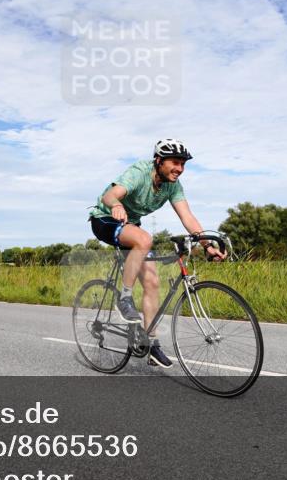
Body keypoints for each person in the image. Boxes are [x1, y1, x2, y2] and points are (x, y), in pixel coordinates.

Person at [88, 139, 225, 369]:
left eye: (183, 164)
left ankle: (151, 344)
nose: (179, 169)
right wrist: (116, 205)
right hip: (106, 219)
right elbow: (110, 196)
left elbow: (187, 218)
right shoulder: (139, 173)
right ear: (159, 161)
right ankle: (124, 299)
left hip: (130, 225)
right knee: (144, 238)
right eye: (175, 162)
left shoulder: (173, 186)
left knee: (152, 281)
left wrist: (207, 245)